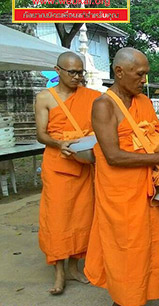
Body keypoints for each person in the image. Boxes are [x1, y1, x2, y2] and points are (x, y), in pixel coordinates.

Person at [85, 47, 159, 306]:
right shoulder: (103, 105)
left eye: (145, 74)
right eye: (139, 74)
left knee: (146, 248)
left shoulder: (142, 102)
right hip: (119, 194)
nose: (144, 81)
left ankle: (136, 297)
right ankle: (123, 300)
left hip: (146, 190)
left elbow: (154, 137)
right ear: (119, 72)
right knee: (125, 251)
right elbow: (113, 156)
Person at [35, 52, 101, 295]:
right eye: (72, 72)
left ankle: (74, 266)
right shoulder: (45, 98)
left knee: (83, 216)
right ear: (58, 70)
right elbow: (41, 134)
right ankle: (59, 271)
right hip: (58, 164)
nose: (77, 77)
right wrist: (57, 144)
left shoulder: (91, 97)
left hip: (83, 162)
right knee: (57, 218)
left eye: (80, 72)